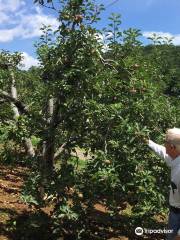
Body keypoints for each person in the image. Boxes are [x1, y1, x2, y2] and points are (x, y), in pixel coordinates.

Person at [146, 128, 180, 240]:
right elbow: (162, 152)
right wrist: (147, 142)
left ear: (172, 147)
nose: (163, 144)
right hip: (175, 212)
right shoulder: (175, 158)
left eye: (165, 142)